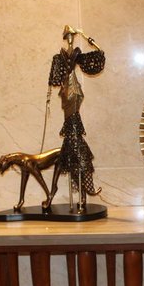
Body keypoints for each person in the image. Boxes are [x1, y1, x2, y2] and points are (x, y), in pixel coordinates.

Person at [44, 26, 105, 213]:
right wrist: (48, 97)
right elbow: (53, 80)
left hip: (74, 92)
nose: (70, 38)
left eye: (72, 35)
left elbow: (98, 58)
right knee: (71, 145)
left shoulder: (77, 55)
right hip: (66, 93)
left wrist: (87, 37)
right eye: (68, 36)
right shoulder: (59, 57)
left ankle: (80, 196)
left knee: (73, 143)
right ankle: (76, 195)